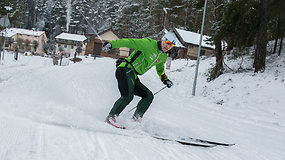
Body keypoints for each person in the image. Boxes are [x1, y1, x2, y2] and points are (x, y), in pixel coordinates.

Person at [102, 32, 178, 127]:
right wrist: (112, 44)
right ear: (163, 39)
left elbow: (160, 69)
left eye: (171, 45)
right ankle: (111, 118)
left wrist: (165, 80)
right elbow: (130, 42)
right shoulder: (149, 44)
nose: (168, 46)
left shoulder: (163, 56)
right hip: (125, 69)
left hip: (133, 75)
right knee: (127, 96)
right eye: (167, 42)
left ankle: (135, 119)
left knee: (148, 96)